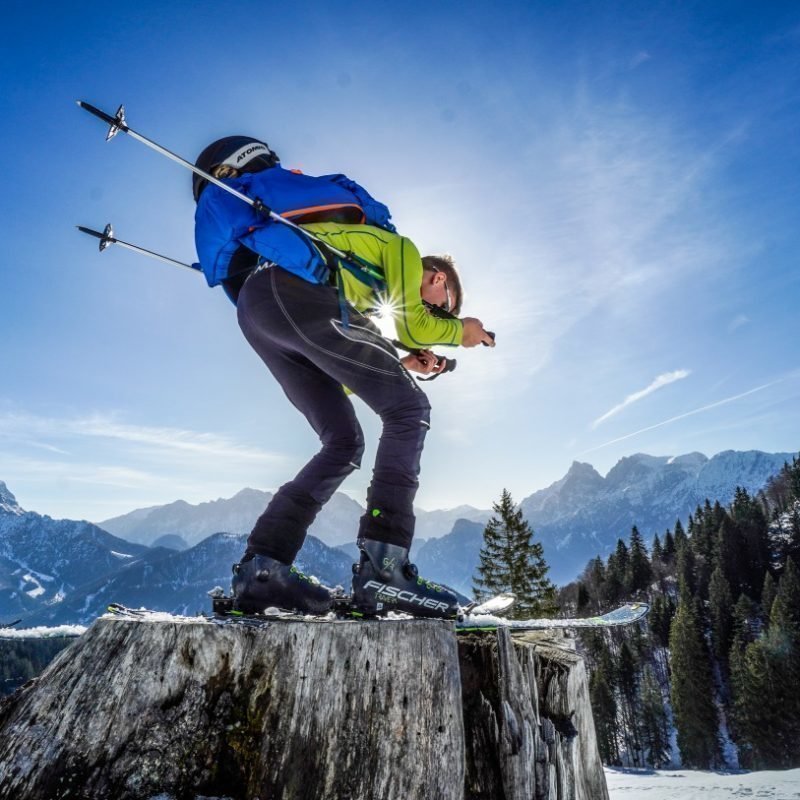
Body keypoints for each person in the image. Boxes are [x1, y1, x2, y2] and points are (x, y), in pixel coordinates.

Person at [193, 137, 495, 619]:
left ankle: (262, 571)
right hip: (296, 294)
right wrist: (464, 330)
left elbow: (348, 372)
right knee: (409, 409)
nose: (440, 309)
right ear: (438, 280)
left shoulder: (361, 276)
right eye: (445, 301)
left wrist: (401, 364)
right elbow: (415, 323)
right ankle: (385, 572)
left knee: (342, 440)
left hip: (259, 308)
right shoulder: (404, 250)